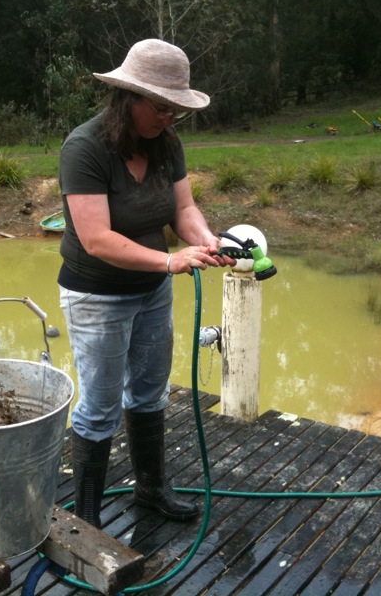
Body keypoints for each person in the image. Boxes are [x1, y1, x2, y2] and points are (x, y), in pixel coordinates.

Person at [57, 38, 234, 528]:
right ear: (128, 98)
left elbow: (183, 209)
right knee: (98, 406)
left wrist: (205, 240)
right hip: (96, 296)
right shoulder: (85, 148)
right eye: (161, 108)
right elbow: (95, 239)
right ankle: (87, 523)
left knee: (151, 392)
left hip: (152, 290)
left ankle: (151, 489)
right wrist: (169, 261)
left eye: (176, 110)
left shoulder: (167, 144)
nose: (168, 119)